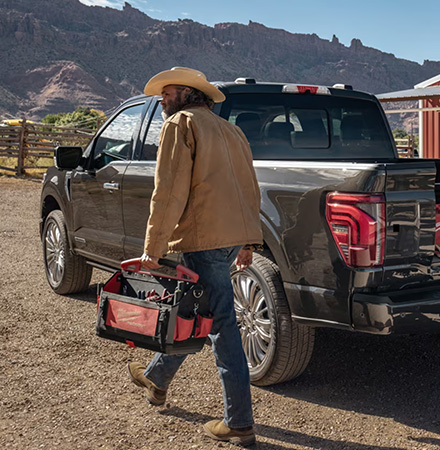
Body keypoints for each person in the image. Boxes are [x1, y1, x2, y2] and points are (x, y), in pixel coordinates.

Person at [126, 67, 262, 447]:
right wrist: (249, 241)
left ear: (187, 93)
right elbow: (250, 188)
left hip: (203, 238)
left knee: (220, 324)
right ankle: (157, 377)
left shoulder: (180, 124)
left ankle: (239, 423)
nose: (162, 100)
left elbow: (168, 192)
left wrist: (153, 248)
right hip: (231, 237)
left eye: (167, 93)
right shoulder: (232, 130)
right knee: (194, 313)